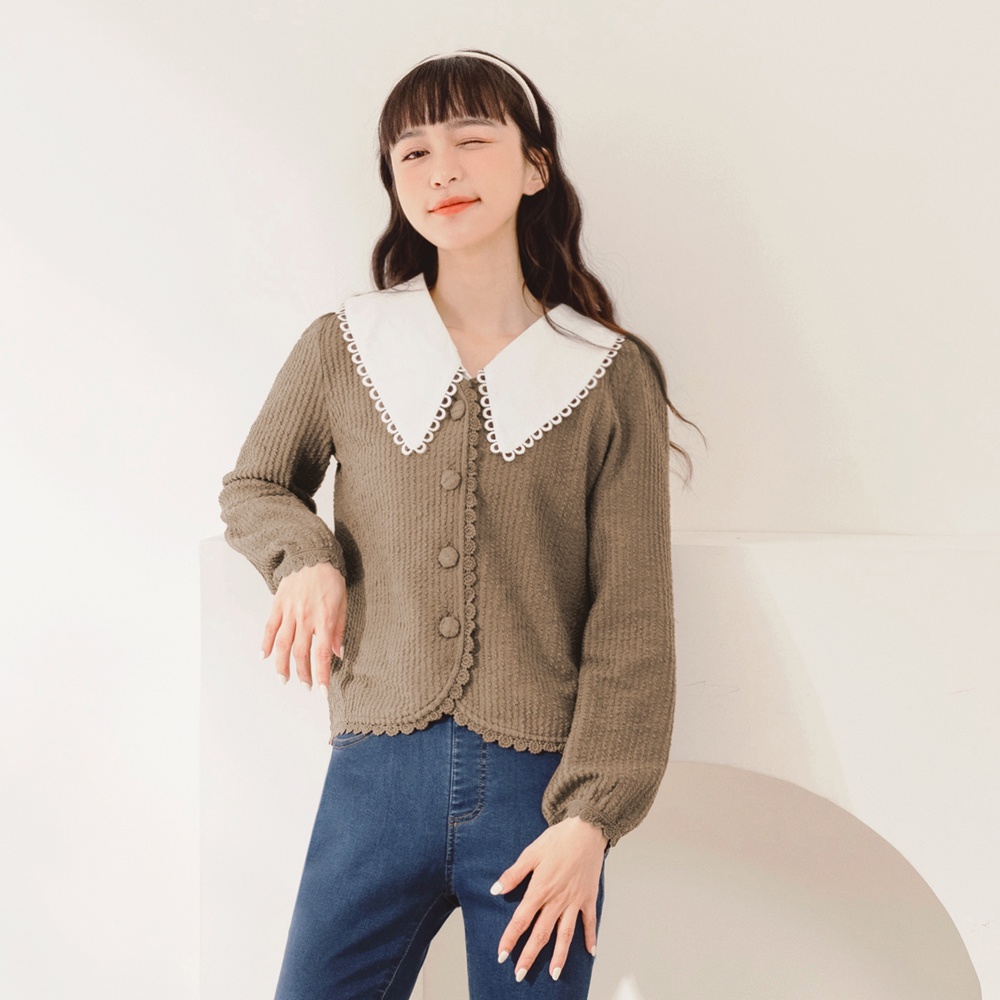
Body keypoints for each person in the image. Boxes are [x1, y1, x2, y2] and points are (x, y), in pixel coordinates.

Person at [218, 47, 701, 1000]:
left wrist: (591, 821)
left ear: (534, 167)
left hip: (540, 805)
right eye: (413, 153)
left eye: (472, 140)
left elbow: (632, 618)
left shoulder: (607, 374)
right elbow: (257, 485)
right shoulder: (346, 345)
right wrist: (305, 559)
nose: (441, 169)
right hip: (372, 785)